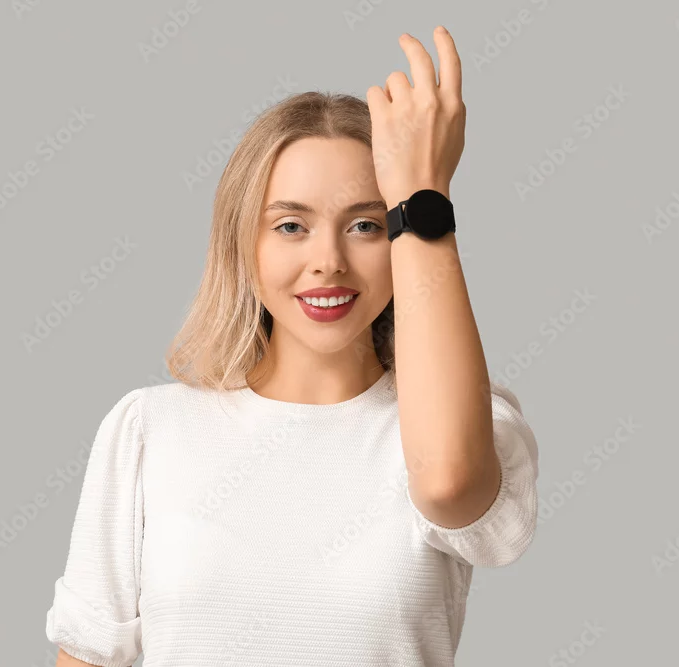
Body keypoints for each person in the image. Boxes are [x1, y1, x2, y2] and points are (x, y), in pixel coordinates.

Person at [45, 26, 539, 667]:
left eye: (367, 224)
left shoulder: (462, 425)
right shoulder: (149, 429)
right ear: (242, 243)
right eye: (290, 226)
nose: (328, 260)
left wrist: (423, 196)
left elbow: (448, 483)